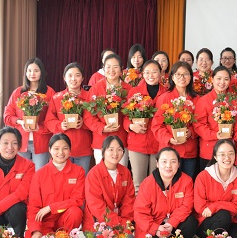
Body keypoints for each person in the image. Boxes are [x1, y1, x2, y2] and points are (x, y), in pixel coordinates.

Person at [24, 134, 85, 238]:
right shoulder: (39, 174)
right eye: (56, 148)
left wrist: (51, 207)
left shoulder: (78, 171)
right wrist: (36, 231)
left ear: (70, 150)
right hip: (45, 223)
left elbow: (77, 200)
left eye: (65, 148)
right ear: (50, 150)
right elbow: (33, 206)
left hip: (66, 220)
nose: (61, 152)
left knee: (75, 212)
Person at [133, 148, 198, 238]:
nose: (168, 165)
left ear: (178, 164)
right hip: (154, 225)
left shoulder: (186, 181)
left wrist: (171, 223)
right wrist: (156, 228)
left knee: (191, 222)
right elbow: (140, 213)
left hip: (174, 224)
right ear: (157, 163)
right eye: (164, 161)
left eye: (173, 162)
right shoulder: (147, 183)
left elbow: (187, 206)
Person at [83, 136, 135, 238]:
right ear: (103, 151)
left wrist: (126, 223)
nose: (115, 153)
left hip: (120, 221)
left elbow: (129, 200)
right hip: (99, 222)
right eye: (111, 149)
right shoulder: (94, 174)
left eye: (119, 150)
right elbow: (97, 207)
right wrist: (120, 223)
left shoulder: (125, 172)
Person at [194, 140, 237, 238]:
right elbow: (200, 207)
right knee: (224, 214)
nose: (227, 158)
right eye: (222, 154)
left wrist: (215, 206)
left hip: (230, 220)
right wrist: (227, 207)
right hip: (206, 222)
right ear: (215, 157)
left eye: (231, 154)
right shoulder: (203, 176)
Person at [3, 57, 55, 171]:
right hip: (21, 141)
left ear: (41, 72)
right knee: (22, 173)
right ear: (25, 73)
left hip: (41, 141)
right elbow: (7, 116)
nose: (32, 74)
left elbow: (53, 119)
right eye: (29, 70)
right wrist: (20, 122)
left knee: (39, 174)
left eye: (36, 70)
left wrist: (39, 128)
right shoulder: (18, 92)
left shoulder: (49, 93)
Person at [152, 61, 199, 178]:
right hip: (169, 150)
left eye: (185, 74)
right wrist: (168, 138)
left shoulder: (197, 99)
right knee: (167, 184)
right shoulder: (164, 98)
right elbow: (157, 125)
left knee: (187, 183)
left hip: (189, 151)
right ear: (172, 77)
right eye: (178, 74)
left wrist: (191, 132)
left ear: (191, 77)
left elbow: (200, 123)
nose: (182, 77)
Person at [84, 53, 132, 166]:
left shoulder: (128, 89)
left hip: (121, 138)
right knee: (101, 173)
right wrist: (102, 128)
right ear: (103, 69)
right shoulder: (96, 88)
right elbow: (88, 116)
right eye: (108, 67)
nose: (111, 70)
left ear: (121, 69)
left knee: (121, 172)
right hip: (101, 139)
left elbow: (130, 115)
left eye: (115, 67)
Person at [125, 60, 165, 192]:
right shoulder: (135, 92)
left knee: (156, 184)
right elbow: (125, 116)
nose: (150, 75)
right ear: (142, 74)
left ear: (161, 73)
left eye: (154, 72)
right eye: (147, 72)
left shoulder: (166, 93)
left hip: (158, 144)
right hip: (138, 143)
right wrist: (131, 126)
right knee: (138, 185)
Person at [45, 62, 93, 174]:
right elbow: (48, 121)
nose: (73, 79)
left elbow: (96, 121)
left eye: (77, 75)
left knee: (81, 180)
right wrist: (60, 125)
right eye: (70, 75)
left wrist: (84, 123)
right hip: (61, 150)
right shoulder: (57, 98)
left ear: (82, 78)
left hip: (83, 148)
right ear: (64, 78)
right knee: (61, 181)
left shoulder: (89, 97)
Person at [194, 66, 234, 171]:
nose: (222, 82)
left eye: (226, 79)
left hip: (229, 150)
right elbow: (199, 125)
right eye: (219, 78)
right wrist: (215, 135)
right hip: (209, 149)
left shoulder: (234, 100)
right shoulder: (203, 100)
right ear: (212, 79)